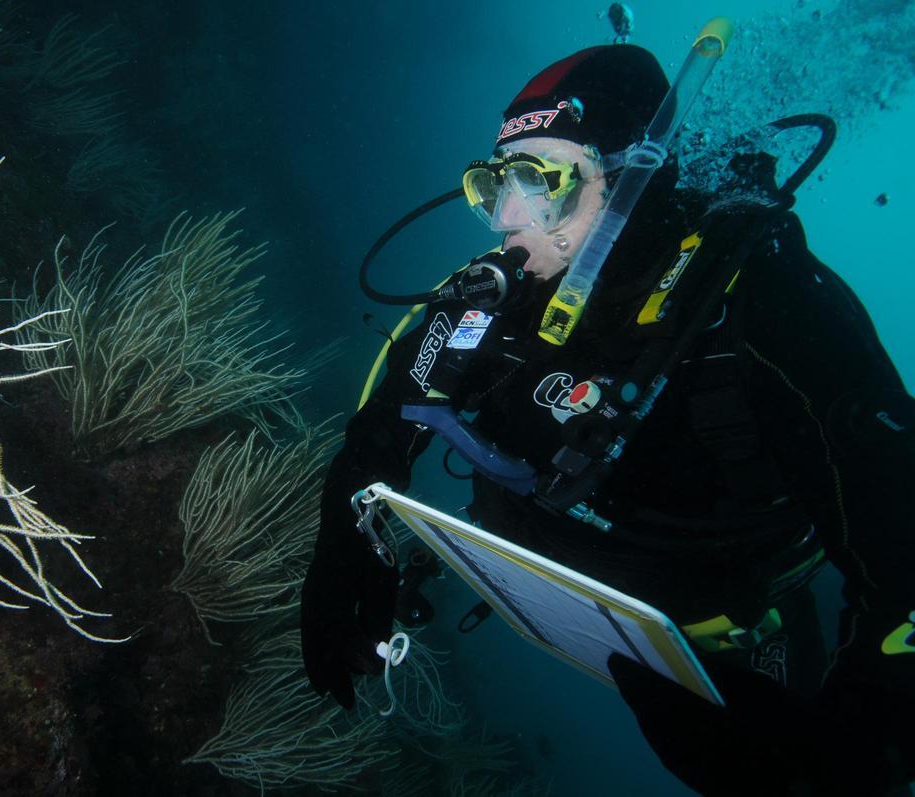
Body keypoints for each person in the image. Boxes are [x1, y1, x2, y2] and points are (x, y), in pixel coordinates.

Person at [300, 44, 915, 796]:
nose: (505, 219)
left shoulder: (768, 308)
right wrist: (342, 542)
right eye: (495, 183)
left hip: (735, 628)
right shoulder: (492, 300)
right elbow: (388, 421)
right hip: (571, 604)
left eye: (538, 183)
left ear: (632, 176)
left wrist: (855, 741)